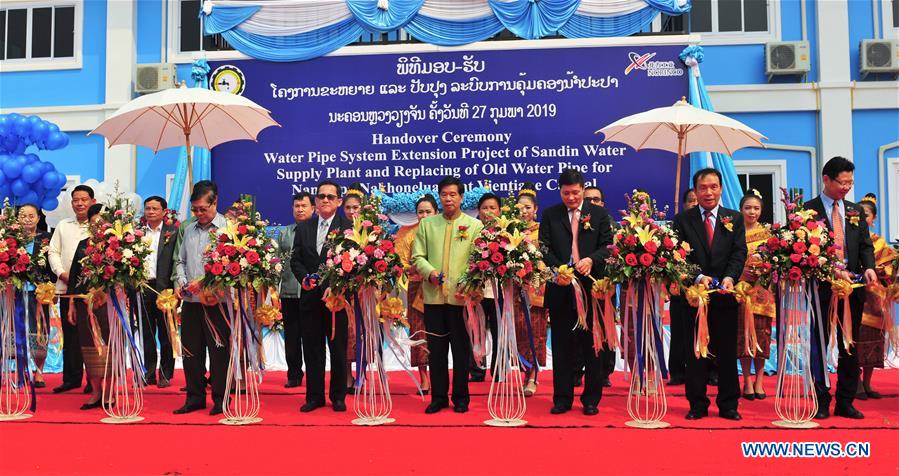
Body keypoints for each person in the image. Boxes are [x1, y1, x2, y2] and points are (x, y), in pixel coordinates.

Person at [805, 157, 877, 419]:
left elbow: (866, 246)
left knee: (850, 346)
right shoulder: (808, 211)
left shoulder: (855, 211)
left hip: (853, 288)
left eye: (850, 183)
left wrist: (869, 267)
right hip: (822, 289)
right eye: (842, 182)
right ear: (826, 179)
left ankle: (845, 400)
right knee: (820, 344)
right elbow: (803, 255)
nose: (846, 187)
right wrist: (831, 270)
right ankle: (821, 400)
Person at [673, 168, 746, 421]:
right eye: (703, 188)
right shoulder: (683, 220)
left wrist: (730, 277)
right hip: (695, 298)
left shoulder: (734, 218)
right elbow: (679, 258)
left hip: (725, 296)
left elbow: (739, 253)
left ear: (721, 188)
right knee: (695, 354)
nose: (709, 192)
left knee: (726, 353)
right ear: (695, 190)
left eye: (713, 186)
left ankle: (728, 405)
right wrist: (698, 277)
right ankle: (697, 404)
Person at [539, 169, 613, 416]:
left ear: (583, 189)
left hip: (591, 287)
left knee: (592, 345)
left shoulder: (599, 214)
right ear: (559, 191)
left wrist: (592, 259)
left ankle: (591, 399)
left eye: (575, 192)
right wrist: (558, 268)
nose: (570, 197)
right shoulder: (550, 215)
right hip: (560, 287)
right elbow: (543, 248)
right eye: (565, 193)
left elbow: (608, 247)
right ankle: (562, 398)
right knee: (561, 346)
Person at [412, 176, 484, 414]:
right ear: (440, 197)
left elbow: (479, 261)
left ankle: (461, 398)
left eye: (453, 194)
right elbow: (417, 256)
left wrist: (469, 283)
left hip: (461, 299)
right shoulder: (427, 224)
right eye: (444, 194)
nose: (448, 198)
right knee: (437, 350)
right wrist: (429, 272)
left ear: (461, 197)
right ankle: (439, 397)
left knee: (461, 350)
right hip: (433, 298)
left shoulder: (474, 226)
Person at [290, 180, 352, 413]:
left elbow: (352, 264)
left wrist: (336, 286)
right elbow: (295, 259)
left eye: (330, 196)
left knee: (337, 349)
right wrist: (304, 278)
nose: (325, 200)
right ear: (315, 201)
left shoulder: (348, 228)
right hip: (309, 298)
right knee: (312, 349)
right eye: (321, 196)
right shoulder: (304, 227)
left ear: (338, 201)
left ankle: (338, 396)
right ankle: (314, 396)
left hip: (336, 300)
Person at [173, 181, 230, 416]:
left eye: (202, 209)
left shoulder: (229, 228)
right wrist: (181, 282)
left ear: (214, 202)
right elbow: (180, 261)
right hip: (191, 302)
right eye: (194, 209)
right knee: (191, 352)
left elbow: (229, 266)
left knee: (219, 353)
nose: (198, 214)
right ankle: (195, 397)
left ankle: (220, 398)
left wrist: (204, 282)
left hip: (217, 302)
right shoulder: (188, 229)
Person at [48, 184, 96, 394]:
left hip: (93, 290)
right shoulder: (63, 225)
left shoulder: (97, 226)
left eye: (84, 199)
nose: (79, 203)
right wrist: (62, 273)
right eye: (76, 199)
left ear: (92, 201)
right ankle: (71, 378)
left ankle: (93, 380)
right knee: (71, 333)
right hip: (67, 287)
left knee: (92, 334)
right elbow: (53, 251)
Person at [67, 204, 111, 410]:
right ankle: (95, 391)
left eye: (102, 222)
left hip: (108, 306)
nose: (98, 226)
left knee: (109, 347)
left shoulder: (116, 246)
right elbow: (75, 277)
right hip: (84, 304)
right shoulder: (83, 245)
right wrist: (71, 305)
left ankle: (109, 392)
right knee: (88, 347)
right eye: (94, 223)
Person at [395, 194, 439, 395]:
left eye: (428, 211)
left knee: (439, 332)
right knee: (419, 333)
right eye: (420, 212)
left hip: (439, 287)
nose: (424, 215)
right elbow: (400, 264)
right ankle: (424, 378)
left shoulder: (442, 232)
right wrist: (413, 268)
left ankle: (441, 375)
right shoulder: (406, 234)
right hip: (416, 289)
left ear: (435, 212)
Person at [856, 193, 896, 401]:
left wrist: (884, 271)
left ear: (874, 219)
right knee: (854, 339)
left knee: (874, 341)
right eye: (860, 214)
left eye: (868, 214)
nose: (864, 218)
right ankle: (855, 382)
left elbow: (890, 269)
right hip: (855, 296)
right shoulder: (850, 240)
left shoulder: (880, 244)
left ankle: (868, 382)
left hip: (875, 299)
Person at [737, 190, 776, 401]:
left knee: (763, 336)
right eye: (748, 207)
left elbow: (776, 262)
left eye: (756, 208)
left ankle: (760, 380)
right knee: (743, 337)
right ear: (741, 209)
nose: (752, 212)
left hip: (763, 290)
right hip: (741, 291)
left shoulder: (768, 235)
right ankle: (746, 380)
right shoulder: (733, 232)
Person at [139, 196, 178, 388]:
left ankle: (166, 373)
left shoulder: (174, 232)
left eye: (155, 209)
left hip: (165, 289)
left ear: (164, 212)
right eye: (148, 208)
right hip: (143, 287)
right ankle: (148, 372)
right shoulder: (135, 234)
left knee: (166, 333)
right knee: (146, 332)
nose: (151, 212)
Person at [515, 184, 548, 397]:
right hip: (516, 289)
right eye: (520, 207)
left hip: (537, 288)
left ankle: (534, 375)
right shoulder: (511, 231)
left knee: (536, 332)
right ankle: (524, 370)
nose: (524, 211)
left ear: (535, 209)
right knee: (519, 332)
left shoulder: (543, 230)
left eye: (528, 207)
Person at [279, 191, 313, 389]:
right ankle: (293, 374)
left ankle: (314, 373)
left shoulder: (316, 230)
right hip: (289, 291)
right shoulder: (285, 232)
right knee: (291, 336)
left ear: (313, 209)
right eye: (297, 206)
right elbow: (278, 263)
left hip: (311, 292)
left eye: (304, 206)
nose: (300, 209)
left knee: (311, 335)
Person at [582, 185, 616, 387]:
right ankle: (578, 371)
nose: (592, 203)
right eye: (588, 199)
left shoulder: (614, 226)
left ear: (602, 203)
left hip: (606, 285)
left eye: (596, 199)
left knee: (605, 330)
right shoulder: (577, 223)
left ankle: (604, 372)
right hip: (581, 283)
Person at [18, 204, 53, 388]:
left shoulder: (47, 238)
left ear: (38, 218)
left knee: (39, 332)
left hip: (39, 294)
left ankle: (38, 371)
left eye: (31, 216)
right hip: (14, 293)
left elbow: (52, 265)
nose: (28, 219)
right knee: (15, 331)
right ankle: (19, 370)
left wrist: (50, 288)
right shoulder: (10, 239)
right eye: (23, 216)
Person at [668, 187, 700, 386]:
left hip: (704, 284)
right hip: (681, 283)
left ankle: (710, 371)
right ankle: (677, 371)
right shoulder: (679, 223)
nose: (694, 204)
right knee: (679, 329)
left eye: (697, 200)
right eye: (691, 200)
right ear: (684, 204)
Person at [470, 192, 501, 383]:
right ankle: (477, 371)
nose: (488, 212)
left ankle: (499, 370)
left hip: (499, 292)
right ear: (478, 211)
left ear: (499, 210)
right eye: (484, 208)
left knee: (500, 333)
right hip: (477, 291)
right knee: (476, 331)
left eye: (492, 208)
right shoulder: (472, 232)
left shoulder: (507, 233)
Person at [341, 183, 364, 392]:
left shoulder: (372, 231)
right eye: (348, 208)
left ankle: (363, 374)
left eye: (355, 207)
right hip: (343, 292)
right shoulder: (338, 231)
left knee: (365, 333)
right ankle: (347, 376)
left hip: (365, 292)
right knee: (346, 334)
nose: (351, 211)